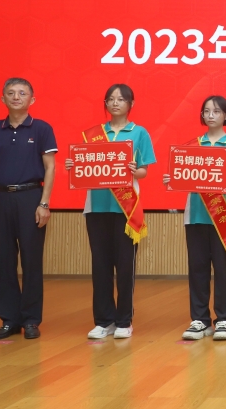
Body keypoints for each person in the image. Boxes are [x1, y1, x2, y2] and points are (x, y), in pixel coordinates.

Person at [65, 84, 156, 340]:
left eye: (121, 99)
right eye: (111, 99)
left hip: (126, 209)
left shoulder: (139, 133)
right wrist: (74, 164)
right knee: (100, 265)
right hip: (96, 207)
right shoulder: (95, 134)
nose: (115, 103)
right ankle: (104, 320)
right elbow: (86, 168)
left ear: (131, 104)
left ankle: (124, 320)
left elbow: (144, 171)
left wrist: (134, 170)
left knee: (125, 266)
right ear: (105, 103)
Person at [163, 95, 226, 341]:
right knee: (198, 269)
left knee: (223, 270)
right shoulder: (192, 146)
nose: (210, 115)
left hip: (222, 217)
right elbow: (182, 178)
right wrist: (172, 179)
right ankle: (200, 320)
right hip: (195, 216)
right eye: (206, 111)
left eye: (216, 111)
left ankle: (223, 319)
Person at [0, 78, 57, 340]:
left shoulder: (42, 128)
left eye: (22, 93)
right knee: (5, 261)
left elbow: (50, 167)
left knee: (31, 260)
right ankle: (9, 319)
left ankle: (31, 319)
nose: (16, 97)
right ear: (3, 99)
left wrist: (44, 203)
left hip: (30, 197)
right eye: (10, 93)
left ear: (32, 99)